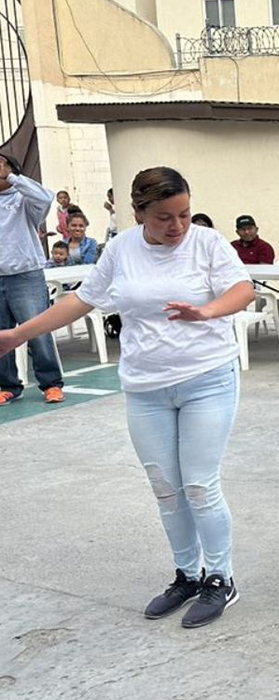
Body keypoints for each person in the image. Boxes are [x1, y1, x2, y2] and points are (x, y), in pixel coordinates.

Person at [0, 167, 256, 628]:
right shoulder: (120, 250)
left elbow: (242, 289)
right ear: (137, 213)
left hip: (206, 380)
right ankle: (187, 575)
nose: (177, 226)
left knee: (199, 485)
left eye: (183, 213)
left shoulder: (207, 243)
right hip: (145, 388)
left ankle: (221, 577)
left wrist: (207, 311)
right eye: (163, 217)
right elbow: (81, 301)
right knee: (166, 489)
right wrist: (19, 334)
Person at [0, 153, 64, 406]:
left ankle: (51, 384)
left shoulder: (25, 199)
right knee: (2, 335)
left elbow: (46, 196)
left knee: (38, 331)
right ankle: (7, 386)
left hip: (26, 275)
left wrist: (11, 176)